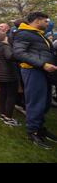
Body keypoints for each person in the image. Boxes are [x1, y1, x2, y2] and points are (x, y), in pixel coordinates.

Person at [13, 12, 57, 149]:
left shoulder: (36, 33)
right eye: (45, 21)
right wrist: (43, 64)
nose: (47, 23)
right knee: (36, 103)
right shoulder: (24, 33)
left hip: (42, 72)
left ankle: (40, 128)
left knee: (44, 103)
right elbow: (19, 53)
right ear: (37, 21)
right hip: (33, 71)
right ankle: (33, 132)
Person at [0, 31, 21, 126]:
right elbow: (9, 56)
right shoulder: (5, 46)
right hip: (9, 74)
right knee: (11, 96)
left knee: (3, 94)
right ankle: (8, 117)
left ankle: (2, 113)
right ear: (3, 38)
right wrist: (17, 53)